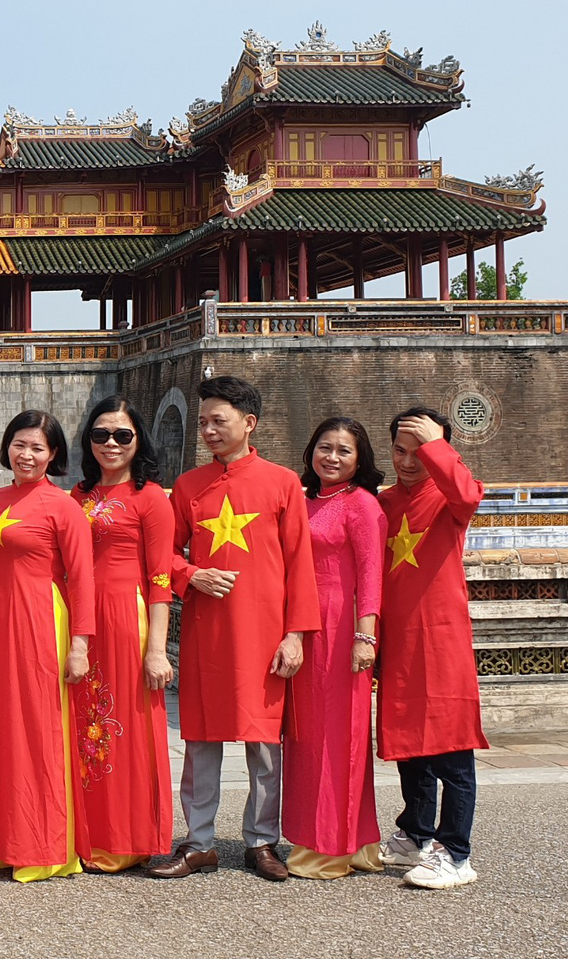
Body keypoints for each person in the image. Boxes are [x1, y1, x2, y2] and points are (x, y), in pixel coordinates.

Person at [151, 376, 319, 883]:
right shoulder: (187, 487)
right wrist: (191, 574)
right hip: (207, 633)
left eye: (217, 420)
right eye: (201, 421)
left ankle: (261, 841)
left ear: (249, 423)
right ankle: (199, 842)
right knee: (200, 740)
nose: (207, 430)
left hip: (265, 632)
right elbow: (161, 558)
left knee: (264, 743)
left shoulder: (283, 482)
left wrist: (295, 634)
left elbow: (300, 565)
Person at [0, 409, 96, 882]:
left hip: (39, 623)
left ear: (53, 454)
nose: (27, 454)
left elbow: (82, 579)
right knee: (1, 731)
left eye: (38, 447)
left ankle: (46, 845)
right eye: (20, 444)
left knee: (40, 732)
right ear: (7, 447)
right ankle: (11, 839)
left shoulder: (62, 506)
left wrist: (80, 645)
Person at [377, 407, 491, 890]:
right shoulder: (383, 503)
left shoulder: (449, 499)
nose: (408, 461)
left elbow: (467, 491)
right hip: (399, 639)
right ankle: (416, 833)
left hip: (441, 637)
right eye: (400, 450)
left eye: (418, 451)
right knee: (410, 746)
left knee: (451, 748)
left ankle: (456, 851)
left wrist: (434, 445)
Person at [68, 396, 180, 874]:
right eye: (100, 434)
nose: (110, 443)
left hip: (123, 618)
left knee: (125, 726)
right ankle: (85, 832)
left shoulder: (151, 497)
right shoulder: (77, 495)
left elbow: (160, 579)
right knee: (82, 726)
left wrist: (156, 650)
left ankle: (126, 836)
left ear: (139, 441)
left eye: (122, 435)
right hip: (77, 619)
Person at [283, 417, 389, 880]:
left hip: (341, 626)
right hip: (302, 624)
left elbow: (370, 575)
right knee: (306, 735)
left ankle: (333, 845)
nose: (332, 457)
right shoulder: (302, 502)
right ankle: (338, 836)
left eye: (344, 451)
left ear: (360, 459)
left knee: (339, 736)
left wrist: (366, 636)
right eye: (324, 447)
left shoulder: (362, 505)